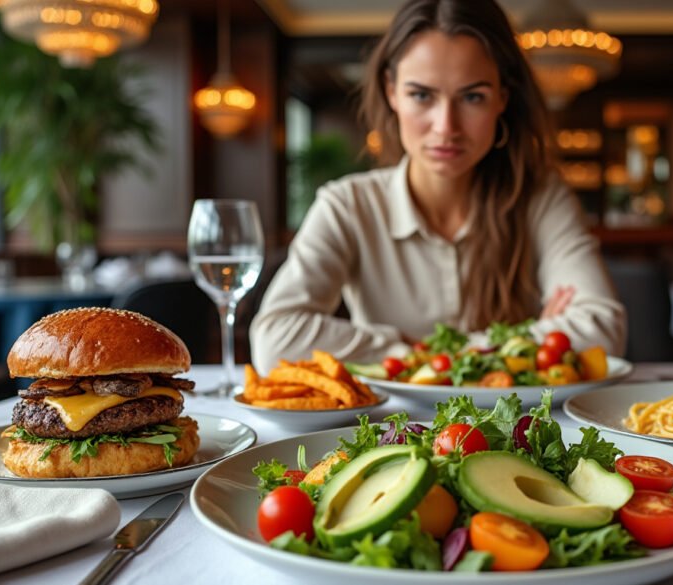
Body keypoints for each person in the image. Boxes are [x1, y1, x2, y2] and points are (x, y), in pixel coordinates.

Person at [250, 0, 626, 371]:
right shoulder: (348, 205)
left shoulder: (542, 198)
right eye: (422, 95)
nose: (446, 126)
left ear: (502, 99)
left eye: (473, 96)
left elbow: (603, 331)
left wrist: (423, 356)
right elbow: (274, 341)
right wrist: (523, 342)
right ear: (391, 91)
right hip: (386, 430)